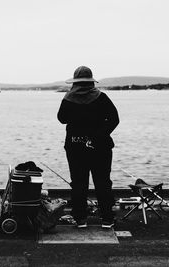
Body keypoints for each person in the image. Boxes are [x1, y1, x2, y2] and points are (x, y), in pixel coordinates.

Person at [57, 66, 119, 229]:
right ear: (91, 81)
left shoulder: (68, 98)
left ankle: (80, 219)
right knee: (103, 182)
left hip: (75, 147)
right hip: (101, 148)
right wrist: (100, 134)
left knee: (78, 182)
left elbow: (61, 118)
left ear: (75, 82)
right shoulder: (102, 97)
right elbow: (114, 119)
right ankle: (107, 218)